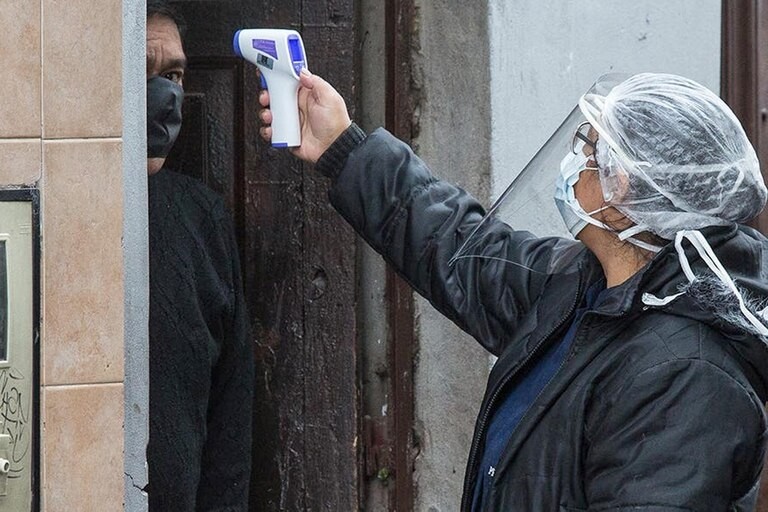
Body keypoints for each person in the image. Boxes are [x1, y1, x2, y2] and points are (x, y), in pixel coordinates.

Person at [259, 69, 768, 510]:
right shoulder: (585, 285)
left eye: (588, 150)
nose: (573, 163)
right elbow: (459, 248)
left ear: (621, 193)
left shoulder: (683, 377)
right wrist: (344, 147)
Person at [145, 2, 254, 510]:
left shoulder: (201, 218)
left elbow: (231, 416)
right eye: (142, 72)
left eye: (173, 73)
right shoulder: (52, 215)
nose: (164, 92)